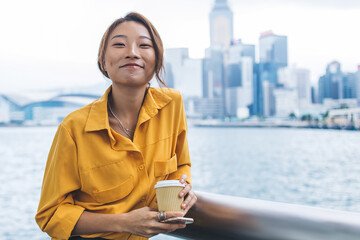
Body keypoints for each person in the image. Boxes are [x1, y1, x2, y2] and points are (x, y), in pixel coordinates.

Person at [35, 12, 197, 240]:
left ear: (157, 59)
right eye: (119, 44)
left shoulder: (172, 105)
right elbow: (50, 215)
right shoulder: (73, 128)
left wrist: (185, 186)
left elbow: (181, 163)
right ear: (103, 60)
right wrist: (125, 222)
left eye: (144, 45)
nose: (132, 52)